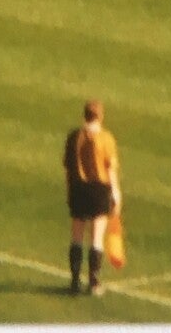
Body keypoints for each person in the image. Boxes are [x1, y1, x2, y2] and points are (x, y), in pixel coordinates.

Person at [64, 100, 122, 296]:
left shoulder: (74, 137)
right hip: (99, 189)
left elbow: (68, 167)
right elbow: (110, 168)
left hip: (78, 187)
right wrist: (116, 193)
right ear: (100, 116)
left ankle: (74, 280)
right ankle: (94, 281)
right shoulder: (106, 138)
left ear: (85, 115)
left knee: (77, 235)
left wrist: (70, 189)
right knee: (96, 237)